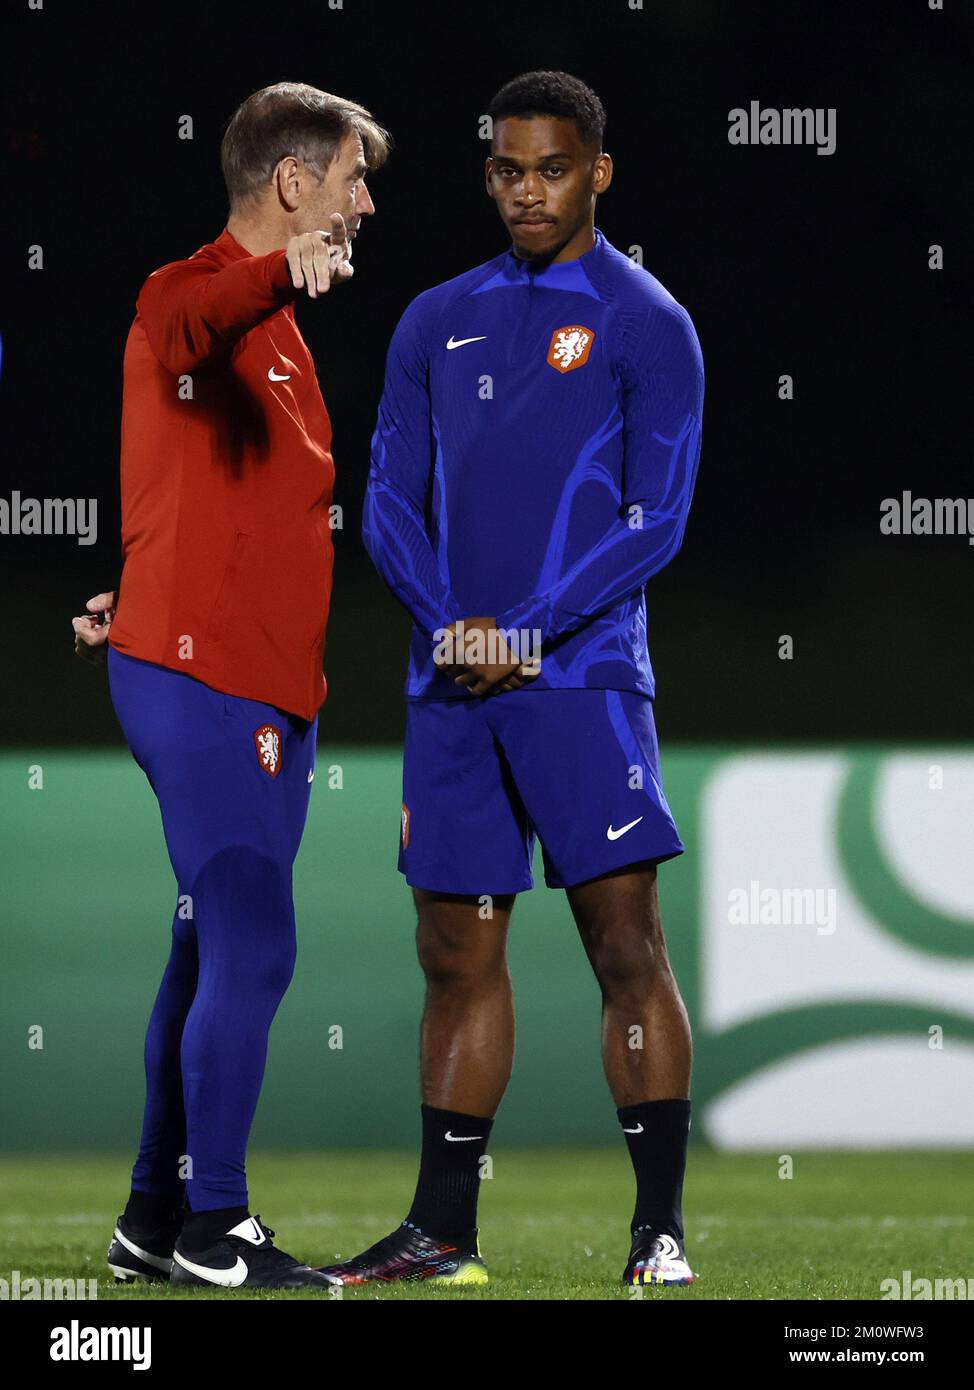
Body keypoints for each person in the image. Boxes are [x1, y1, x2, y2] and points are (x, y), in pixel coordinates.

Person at [320, 71, 703, 1290]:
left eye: (552, 168)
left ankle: (656, 1234)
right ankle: (442, 1232)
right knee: (452, 950)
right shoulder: (435, 318)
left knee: (623, 946)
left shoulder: (649, 321)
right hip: (451, 685)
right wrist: (449, 627)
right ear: (485, 173)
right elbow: (383, 495)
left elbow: (658, 517)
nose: (527, 191)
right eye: (507, 170)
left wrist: (525, 629)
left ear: (599, 171)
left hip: (583, 680)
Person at [72, 80, 387, 1290]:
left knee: (208, 948)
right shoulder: (192, 292)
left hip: (267, 692)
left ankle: (154, 1221)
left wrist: (140, 578)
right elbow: (190, 324)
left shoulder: (286, 337)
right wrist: (278, 269)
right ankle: (219, 1227)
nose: (365, 203)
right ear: (293, 180)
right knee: (253, 936)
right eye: (352, 178)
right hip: (199, 683)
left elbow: (209, 498)